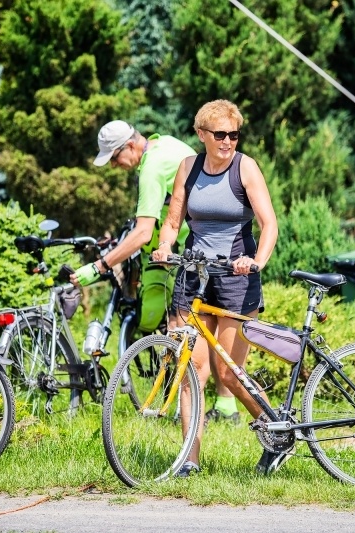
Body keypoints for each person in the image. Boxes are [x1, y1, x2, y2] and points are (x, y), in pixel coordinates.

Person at [71, 120, 241, 419]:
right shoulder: (167, 145)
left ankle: (181, 406)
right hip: (222, 242)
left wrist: (99, 266)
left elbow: (141, 233)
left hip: (198, 246)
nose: (114, 166)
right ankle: (226, 407)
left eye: (114, 158)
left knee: (180, 326)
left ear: (131, 146)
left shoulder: (151, 168)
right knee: (209, 326)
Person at [151, 99, 279, 477]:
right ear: (202, 135)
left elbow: (268, 225)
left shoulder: (246, 168)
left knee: (229, 375)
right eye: (220, 134)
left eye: (234, 134)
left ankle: (276, 434)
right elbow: (173, 221)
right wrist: (165, 246)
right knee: (191, 370)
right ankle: (189, 460)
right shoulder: (188, 168)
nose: (228, 141)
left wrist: (257, 261)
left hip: (236, 277)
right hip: (194, 275)